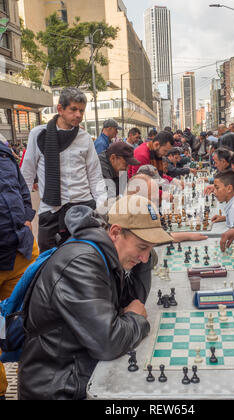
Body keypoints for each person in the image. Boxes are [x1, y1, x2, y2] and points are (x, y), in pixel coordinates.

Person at [18, 195, 173, 400]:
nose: (145, 257)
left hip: (79, 372)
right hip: (59, 388)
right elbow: (108, 342)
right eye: (142, 247)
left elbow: (134, 302)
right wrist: (136, 319)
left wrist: (143, 255)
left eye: (150, 248)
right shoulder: (82, 262)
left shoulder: (106, 251)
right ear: (115, 232)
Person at [21, 87, 107, 252]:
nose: (78, 115)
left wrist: (101, 208)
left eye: (81, 111)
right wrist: (24, 215)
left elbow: (95, 176)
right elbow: (26, 176)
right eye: (73, 109)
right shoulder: (39, 135)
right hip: (51, 211)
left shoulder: (85, 138)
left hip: (84, 208)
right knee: (48, 263)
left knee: (86, 259)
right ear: (60, 109)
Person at [0, 136, 39, 400]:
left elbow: (23, 190)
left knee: (30, 322)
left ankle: (31, 385)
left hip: (20, 251)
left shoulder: (4, 152)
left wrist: (26, 218)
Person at [98, 142, 140, 210]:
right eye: (126, 164)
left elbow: (124, 190)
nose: (127, 168)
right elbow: (110, 202)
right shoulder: (100, 167)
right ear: (113, 158)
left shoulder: (120, 167)